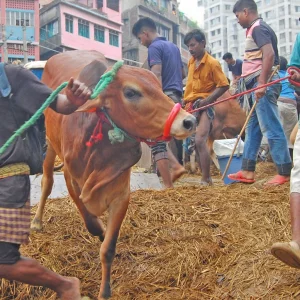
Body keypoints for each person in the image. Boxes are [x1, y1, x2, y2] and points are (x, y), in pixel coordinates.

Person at [0, 62, 91, 299]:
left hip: (7, 180)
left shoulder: (10, 77)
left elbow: (59, 103)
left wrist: (72, 100)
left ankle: (65, 286)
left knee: (3, 260)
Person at [227, 0, 292, 185]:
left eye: (238, 16)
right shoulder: (256, 29)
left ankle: (284, 170)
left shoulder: (258, 28)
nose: (238, 21)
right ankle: (247, 170)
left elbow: (269, 54)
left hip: (261, 83)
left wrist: (262, 83)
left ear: (246, 12)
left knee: (270, 125)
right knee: (253, 128)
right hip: (254, 85)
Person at [132, 17, 186, 188]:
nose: (141, 42)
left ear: (145, 33)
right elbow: (183, 73)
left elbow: (156, 73)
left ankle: (170, 181)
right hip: (177, 95)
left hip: (165, 95)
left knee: (156, 140)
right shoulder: (173, 47)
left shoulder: (154, 47)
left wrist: (156, 98)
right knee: (167, 138)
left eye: (140, 38)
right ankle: (174, 169)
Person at [183, 29, 229, 185]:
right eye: (188, 46)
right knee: (190, 141)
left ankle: (206, 179)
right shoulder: (191, 61)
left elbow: (224, 85)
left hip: (205, 105)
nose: (190, 49)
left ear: (203, 43)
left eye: (193, 45)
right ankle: (201, 174)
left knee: (200, 139)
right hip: (191, 105)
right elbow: (189, 85)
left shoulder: (212, 63)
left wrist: (207, 100)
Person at [271, 34, 300, 268]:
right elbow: (295, 71)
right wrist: (296, 76)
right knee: (298, 171)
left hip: (287, 106)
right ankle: (297, 243)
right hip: (293, 106)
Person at [277, 56, 298, 160]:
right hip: (290, 105)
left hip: (278, 104)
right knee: (291, 136)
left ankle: (278, 160)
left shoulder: (275, 76)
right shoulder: (290, 76)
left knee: (278, 132)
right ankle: (291, 160)